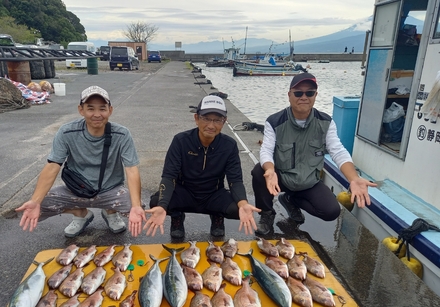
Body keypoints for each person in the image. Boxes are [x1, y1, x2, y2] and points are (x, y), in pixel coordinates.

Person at [251, 72, 377, 235]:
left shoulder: (326, 122)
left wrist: (353, 178)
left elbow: (337, 150)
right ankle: (267, 214)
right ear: (289, 95)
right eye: (298, 93)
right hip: (281, 177)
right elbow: (266, 150)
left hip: (308, 181)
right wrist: (269, 170)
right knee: (259, 171)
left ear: (315, 95)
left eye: (309, 92)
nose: (304, 97)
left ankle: (290, 200)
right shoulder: (274, 121)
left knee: (331, 212)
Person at [16, 85, 145, 237]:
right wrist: (35, 201)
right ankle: (80, 213)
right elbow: (53, 166)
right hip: (76, 190)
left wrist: (136, 206)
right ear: (81, 110)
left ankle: (111, 212)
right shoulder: (66, 132)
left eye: (102, 109)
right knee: (34, 205)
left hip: (111, 190)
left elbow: (131, 169)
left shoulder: (122, 134)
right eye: (90, 109)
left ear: (110, 110)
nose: (97, 114)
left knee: (137, 207)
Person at [143, 95, 260, 238]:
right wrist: (162, 205)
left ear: (224, 121)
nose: (211, 125)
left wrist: (243, 203)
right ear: (196, 118)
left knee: (239, 209)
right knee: (156, 202)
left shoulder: (229, 145)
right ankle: (177, 216)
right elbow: (169, 176)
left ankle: (217, 216)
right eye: (206, 118)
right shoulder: (180, 141)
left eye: (217, 120)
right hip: (185, 192)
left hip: (213, 194)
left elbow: (235, 180)